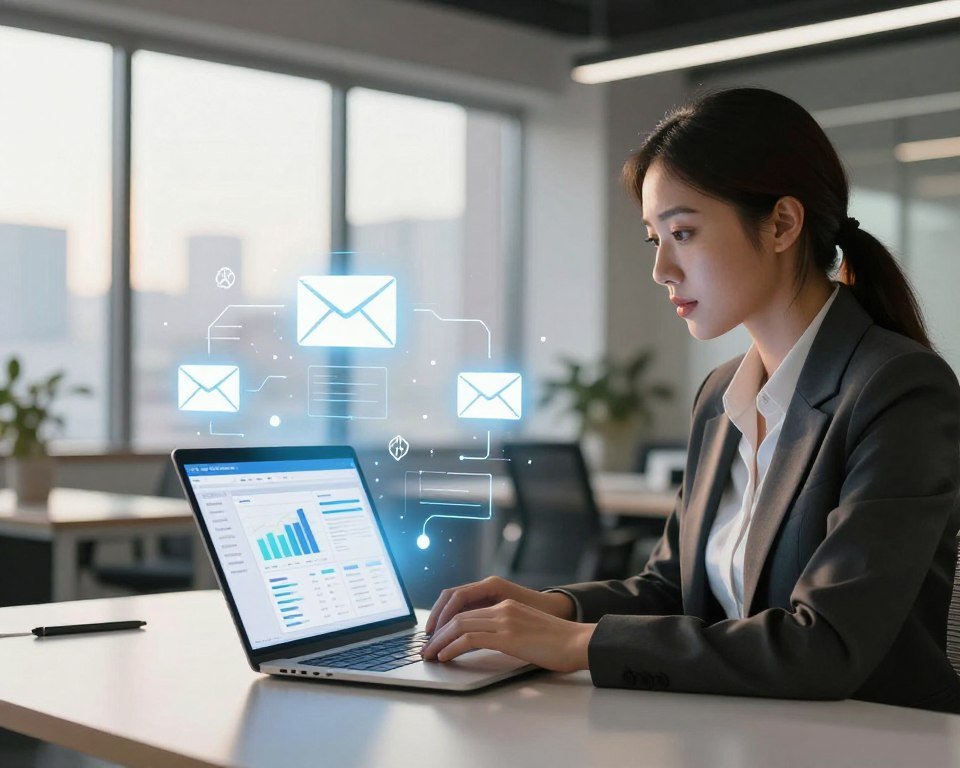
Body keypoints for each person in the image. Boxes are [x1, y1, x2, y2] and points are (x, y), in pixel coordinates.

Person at [419, 87, 960, 713]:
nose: (662, 269)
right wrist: (555, 607)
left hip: (878, 741)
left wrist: (576, 643)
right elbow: (672, 588)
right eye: (656, 238)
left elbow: (827, 647)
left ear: (783, 223)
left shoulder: (899, 390)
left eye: (683, 231)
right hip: (740, 731)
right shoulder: (720, 397)